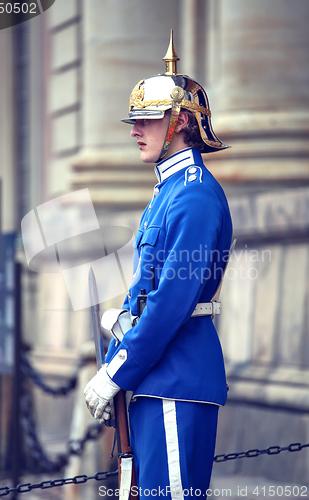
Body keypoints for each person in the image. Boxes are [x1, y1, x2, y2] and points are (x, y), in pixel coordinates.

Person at [84, 31, 233, 498]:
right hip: (158, 379)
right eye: (135, 120)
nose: (134, 129)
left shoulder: (192, 193)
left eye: (147, 119)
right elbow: (144, 295)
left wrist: (116, 371)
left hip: (176, 379)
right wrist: (120, 337)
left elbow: (169, 304)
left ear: (181, 123)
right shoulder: (168, 191)